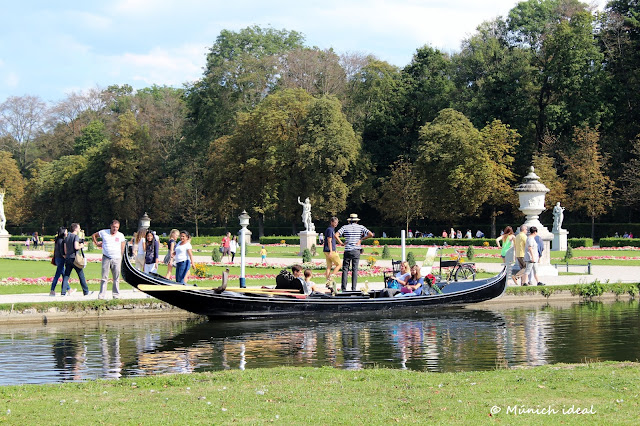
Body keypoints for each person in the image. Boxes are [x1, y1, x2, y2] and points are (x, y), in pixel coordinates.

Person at [336, 213, 373, 292]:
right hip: (356, 250)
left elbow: (336, 235)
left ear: (349, 221)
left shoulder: (345, 227)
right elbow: (371, 234)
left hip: (348, 250)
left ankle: (344, 288)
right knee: (355, 269)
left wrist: (341, 243)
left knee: (345, 269)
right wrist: (361, 239)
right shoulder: (361, 227)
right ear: (357, 221)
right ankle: (353, 288)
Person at [92, 219, 126, 300]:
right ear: (111, 226)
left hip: (117, 258)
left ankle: (116, 295)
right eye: (114, 227)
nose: (115, 229)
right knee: (104, 277)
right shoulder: (104, 232)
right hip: (106, 257)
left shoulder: (120, 235)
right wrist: (96, 243)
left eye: (117, 227)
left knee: (116, 278)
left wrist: (122, 258)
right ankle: (102, 295)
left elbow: (122, 248)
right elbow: (94, 235)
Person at [61, 223, 90, 296]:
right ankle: (86, 291)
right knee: (81, 275)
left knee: (66, 276)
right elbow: (76, 247)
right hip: (75, 258)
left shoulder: (66, 237)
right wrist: (81, 245)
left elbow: (65, 250)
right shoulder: (76, 237)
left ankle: (63, 292)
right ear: (75, 228)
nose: (80, 229)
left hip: (68, 258)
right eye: (79, 228)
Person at [323, 216, 343, 281]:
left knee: (329, 266)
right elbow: (329, 240)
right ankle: (331, 279)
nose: (336, 224)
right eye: (335, 222)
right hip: (329, 251)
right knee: (339, 264)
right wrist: (331, 251)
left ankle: (327, 280)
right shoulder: (330, 229)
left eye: (337, 222)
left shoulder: (331, 229)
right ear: (331, 222)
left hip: (327, 250)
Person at [49, 227, 67, 296]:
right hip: (60, 259)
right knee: (57, 275)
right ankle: (52, 290)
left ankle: (68, 289)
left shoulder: (58, 240)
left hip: (57, 258)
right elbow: (61, 251)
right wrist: (64, 256)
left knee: (63, 275)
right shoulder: (61, 240)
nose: (67, 233)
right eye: (66, 231)